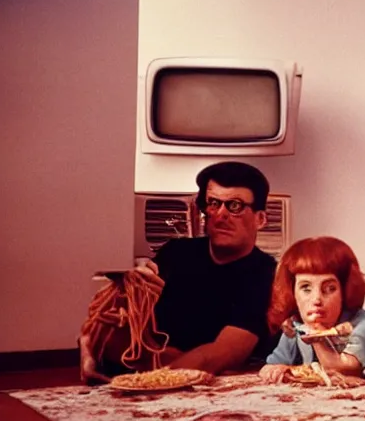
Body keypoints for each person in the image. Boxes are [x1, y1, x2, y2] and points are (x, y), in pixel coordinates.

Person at [81, 162, 277, 380]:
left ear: (260, 219)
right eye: (213, 203)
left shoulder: (266, 274)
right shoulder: (176, 252)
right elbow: (110, 329)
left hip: (183, 377)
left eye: (235, 206)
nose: (221, 215)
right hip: (163, 368)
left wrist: (148, 377)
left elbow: (220, 355)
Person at [258, 237, 365, 382]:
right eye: (306, 288)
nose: (316, 299)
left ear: (344, 291)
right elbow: (271, 366)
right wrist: (275, 370)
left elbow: (346, 370)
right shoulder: (296, 324)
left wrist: (316, 336)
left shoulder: (363, 322)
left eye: (329, 289)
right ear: (292, 292)